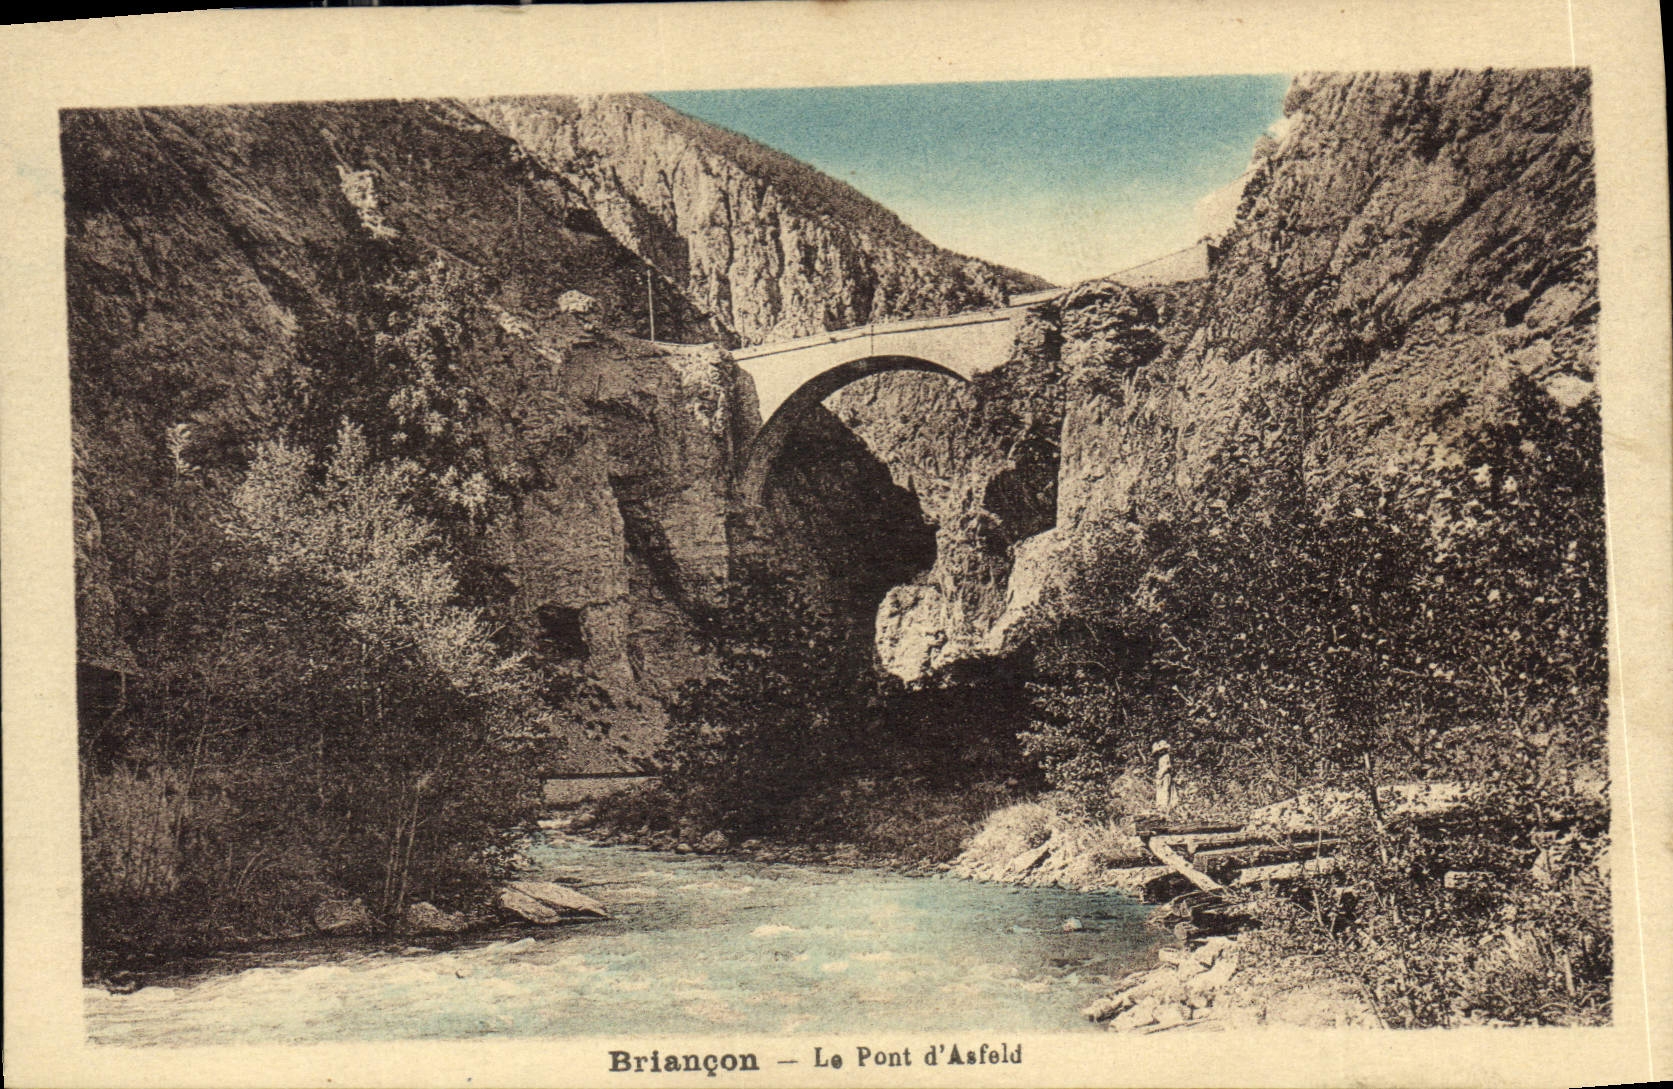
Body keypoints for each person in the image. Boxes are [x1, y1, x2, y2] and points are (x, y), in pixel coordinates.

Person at [1152, 739, 1178, 814]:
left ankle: (1165, 806)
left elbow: (1168, 766)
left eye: (1162, 750)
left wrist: (1161, 773)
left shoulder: (1166, 756)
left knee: (1165, 789)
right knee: (1160, 789)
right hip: (1162, 776)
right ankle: (1161, 805)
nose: (1161, 752)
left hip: (1165, 775)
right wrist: (1159, 774)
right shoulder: (1160, 758)